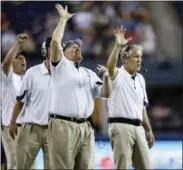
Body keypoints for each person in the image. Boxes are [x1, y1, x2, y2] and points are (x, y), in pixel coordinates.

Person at [48, 4, 111, 169]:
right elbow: (55, 43)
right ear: (63, 52)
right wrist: (63, 20)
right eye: (71, 47)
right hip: (63, 125)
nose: (77, 47)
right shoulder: (60, 66)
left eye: (78, 46)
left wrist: (107, 77)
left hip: (86, 127)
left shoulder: (89, 73)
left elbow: (106, 93)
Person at [107, 27, 155, 169]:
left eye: (140, 57)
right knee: (122, 167)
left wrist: (149, 129)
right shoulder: (117, 74)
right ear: (125, 59)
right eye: (135, 56)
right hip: (120, 126)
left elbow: (142, 108)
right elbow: (110, 67)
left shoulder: (140, 79)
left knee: (146, 167)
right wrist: (118, 47)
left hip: (138, 127)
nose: (139, 60)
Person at [9, 37, 52, 169]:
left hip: (54, 130)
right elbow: (20, 100)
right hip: (31, 128)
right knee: (22, 166)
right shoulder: (32, 73)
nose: (58, 49)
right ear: (45, 50)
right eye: (53, 46)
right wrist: (13, 122)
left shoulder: (65, 74)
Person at [1, 33, 28, 169]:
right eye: (19, 58)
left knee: (29, 165)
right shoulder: (7, 77)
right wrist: (17, 44)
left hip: (28, 129)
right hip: (11, 128)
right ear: (12, 62)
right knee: (14, 165)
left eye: (24, 58)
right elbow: (6, 62)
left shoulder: (28, 80)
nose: (23, 60)